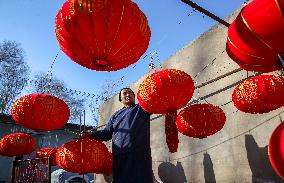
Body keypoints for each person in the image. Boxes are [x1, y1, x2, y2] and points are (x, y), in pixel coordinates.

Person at [84, 88, 153, 183]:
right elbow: (106, 133)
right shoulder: (116, 115)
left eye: (130, 93)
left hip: (139, 154)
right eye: (125, 93)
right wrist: (90, 134)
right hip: (120, 155)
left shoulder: (142, 108)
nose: (128, 95)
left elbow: (153, 102)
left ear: (134, 96)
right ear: (121, 99)